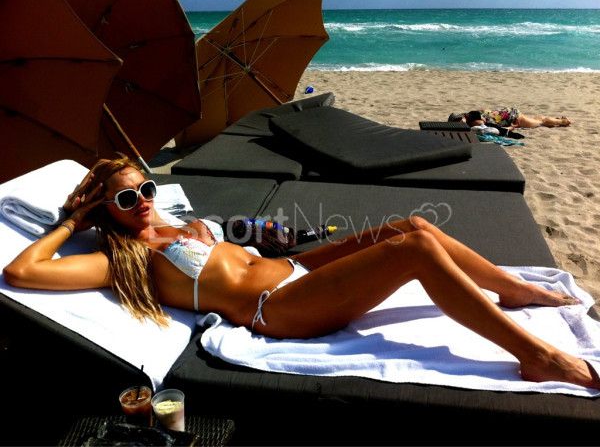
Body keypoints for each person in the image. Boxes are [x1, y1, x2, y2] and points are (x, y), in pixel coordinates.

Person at [3, 156, 599, 390]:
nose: (142, 203)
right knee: (413, 251)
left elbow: (225, 236)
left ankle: (514, 289)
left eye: (145, 190)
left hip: (291, 268)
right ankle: (537, 356)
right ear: (104, 209)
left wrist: (238, 231)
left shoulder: (170, 220)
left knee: (412, 225)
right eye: (125, 199)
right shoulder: (117, 259)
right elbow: (22, 271)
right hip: (276, 310)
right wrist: (71, 219)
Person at [450, 107, 571, 132]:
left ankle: (563, 122)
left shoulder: (474, 120)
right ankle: (556, 119)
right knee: (535, 119)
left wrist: (511, 128)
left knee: (540, 123)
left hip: (512, 118)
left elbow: (491, 130)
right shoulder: (470, 114)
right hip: (509, 113)